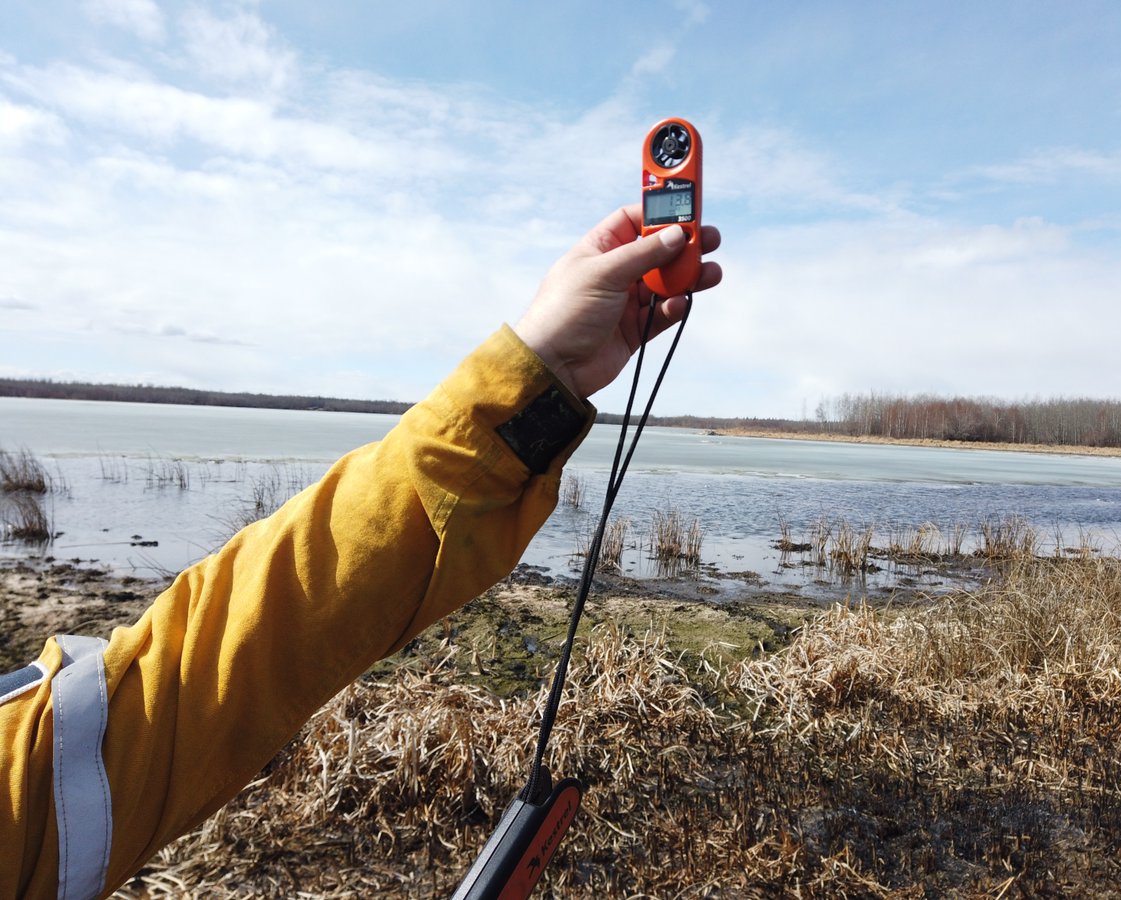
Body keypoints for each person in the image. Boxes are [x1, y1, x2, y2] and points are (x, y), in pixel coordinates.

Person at [0, 204, 722, 899]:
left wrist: (541, 377)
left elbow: (219, 659)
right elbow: (223, 661)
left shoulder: (42, 779)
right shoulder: (53, 782)